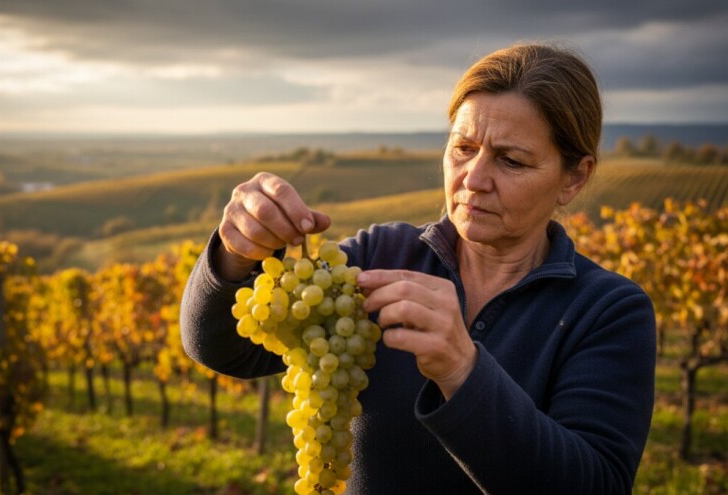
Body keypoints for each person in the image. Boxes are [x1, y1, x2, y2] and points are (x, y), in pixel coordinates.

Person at [181, 42, 656, 494]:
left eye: (510, 161)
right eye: (463, 148)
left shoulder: (609, 311)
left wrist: (462, 369)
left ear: (574, 177)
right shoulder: (381, 253)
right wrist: (233, 255)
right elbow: (223, 350)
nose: (474, 178)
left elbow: (594, 484)